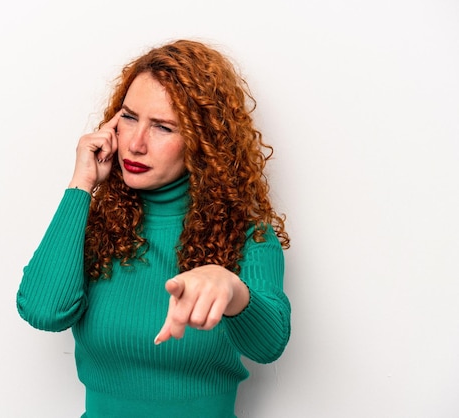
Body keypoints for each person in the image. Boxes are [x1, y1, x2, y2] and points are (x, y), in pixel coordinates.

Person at [16, 39, 291, 418]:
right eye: (129, 118)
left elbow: (270, 343)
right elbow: (45, 312)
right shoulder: (100, 222)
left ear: (202, 141)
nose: (136, 144)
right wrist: (82, 184)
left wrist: (232, 290)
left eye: (163, 127)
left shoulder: (246, 234)